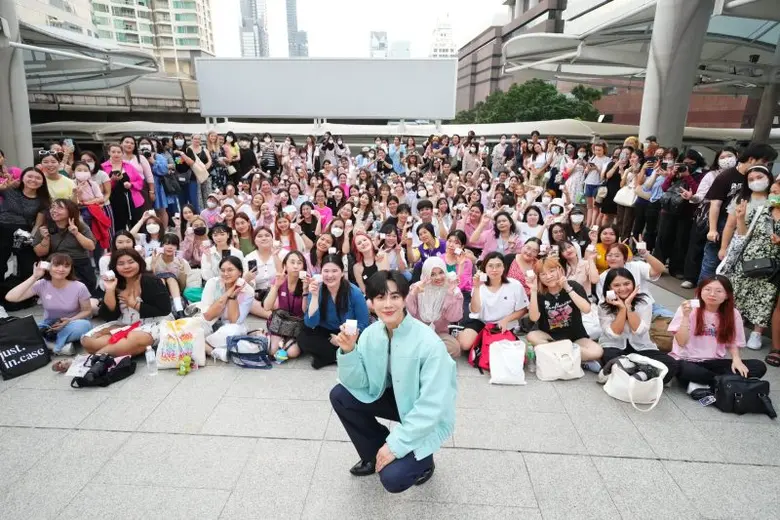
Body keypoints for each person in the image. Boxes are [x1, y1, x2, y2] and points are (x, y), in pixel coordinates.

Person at [329, 270, 456, 493]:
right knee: (341, 396)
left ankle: (422, 460)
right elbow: (359, 383)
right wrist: (348, 351)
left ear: (405, 298)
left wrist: (396, 445)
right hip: (394, 397)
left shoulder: (428, 343)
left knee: (393, 479)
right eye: (380, 297)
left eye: (395, 296)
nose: (388, 304)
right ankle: (374, 452)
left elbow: (432, 406)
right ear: (371, 302)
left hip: (424, 411)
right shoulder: (371, 334)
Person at [669, 276, 766, 397]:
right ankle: (725, 382)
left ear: (726, 295)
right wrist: (685, 317)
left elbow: (733, 341)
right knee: (686, 370)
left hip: (714, 362)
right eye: (707, 289)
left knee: (758, 366)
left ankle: (707, 383)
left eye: (719, 291)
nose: (712, 294)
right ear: (700, 291)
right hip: (687, 360)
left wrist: (736, 359)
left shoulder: (733, 313)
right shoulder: (689, 308)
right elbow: (681, 342)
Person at [700, 143, 777, 285]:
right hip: (724, 223)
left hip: (752, 240)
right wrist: (713, 229)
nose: (755, 181)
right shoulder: (726, 177)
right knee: (713, 265)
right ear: (753, 159)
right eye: (765, 161)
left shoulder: (770, 196)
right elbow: (715, 204)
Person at [722, 174, 780, 351]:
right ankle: (733, 328)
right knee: (739, 293)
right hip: (749, 257)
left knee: (765, 297)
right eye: (772, 191)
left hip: (773, 264)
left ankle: (757, 333)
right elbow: (743, 233)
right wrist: (740, 218)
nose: (773, 194)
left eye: (776, 192)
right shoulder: (762, 209)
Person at [82, 248, 172, 356]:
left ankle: (91, 360)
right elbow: (108, 315)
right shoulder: (116, 283)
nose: (126, 267)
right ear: (115, 267)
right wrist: (110, 290)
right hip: (126, 323)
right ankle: (119, 349)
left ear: (139, 263)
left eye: (131, 262)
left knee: (134, 338)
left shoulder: (150, 280)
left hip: (155, 322)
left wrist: (134, 304)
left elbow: (165, 309)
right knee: (88, 341)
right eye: (121, 263)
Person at [598, 268, 678, 383]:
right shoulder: (603, 304)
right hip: (615, 346)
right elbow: (614, 334)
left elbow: (639, 331)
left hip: (642, 346)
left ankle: (635, 374)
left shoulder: (644, 300)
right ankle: (642, 374)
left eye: (627, 283)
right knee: (611, 358)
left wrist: (628, 306)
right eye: (616, 285)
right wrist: (621, 309)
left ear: (633, 283)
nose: (623, 288)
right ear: (609, 287)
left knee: (671, 364)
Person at [5, 254, 92, 358]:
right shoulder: (42, 284)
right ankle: (56, 345)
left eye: (66, 266)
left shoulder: (79, 287)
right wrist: (35, 277)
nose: (61, 269)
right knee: (20, 331)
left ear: (70, 269)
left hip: (73, 323)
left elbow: (87, 311)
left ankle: (50, 343)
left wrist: (69, 320)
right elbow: (11, 297)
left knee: (84, 326)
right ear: (48, 266)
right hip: (49, 325)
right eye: (56, 265)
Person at [526, 257, 603, 371]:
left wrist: (567, 288)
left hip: (576, 337)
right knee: (531, 336)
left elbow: (586, 309)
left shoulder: (573, 285)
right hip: (550, 336)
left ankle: (555, 356)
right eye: (543, 274)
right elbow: (534, 317)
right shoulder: (539, 293)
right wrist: (533, 291)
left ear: (559, 270)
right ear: (538, 278)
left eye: (551, 271)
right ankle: (577, 359)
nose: (548, 276)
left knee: (597, 352)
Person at [300, 254, 370, 369]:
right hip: (326, 332)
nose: (330, 275)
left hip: (349, 331)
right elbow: (311, 323)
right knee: (303, 337)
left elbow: (363, 323)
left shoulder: (354, 292)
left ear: (342, 272)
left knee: (364, 340)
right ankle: (338, 355)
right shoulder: (318, 289)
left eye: (334, 271)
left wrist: (341, 338)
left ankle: (327, 357)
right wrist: (314, 296)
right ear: (321, 273)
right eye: (326, 271)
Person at [457, 252, 529, 352]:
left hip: (504, 324)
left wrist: (506, 320)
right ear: (485, 268)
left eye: (498, 266)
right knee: (465, 344)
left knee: (501, 350)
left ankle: (482, 342)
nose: (494, 270)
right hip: (481, 322)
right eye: (490, 266)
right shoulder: (479, 286)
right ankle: (465, 334)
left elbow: (523, 309)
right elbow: (474, 310)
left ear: (504, 267)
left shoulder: (515, 285)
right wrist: (477, 287)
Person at [32, 199, 97, 295]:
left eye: (59, 208)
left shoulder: (80, 226)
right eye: (53, 207)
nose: (54, 210)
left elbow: (91, 247)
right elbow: (40, 253)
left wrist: (76, 233)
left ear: (70, 211)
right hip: (56, 264)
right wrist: (46, 239)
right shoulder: (45, 228)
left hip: (78, 264)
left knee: (82, 293)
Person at [405, 257, 463, 357]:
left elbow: (453, 318)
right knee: (406, 344)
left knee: (454, 347)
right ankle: (432, 354)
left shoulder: (453, 290)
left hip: (439, 334)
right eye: (432, 274)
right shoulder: (418, 287)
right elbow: (410, 313)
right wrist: (413, 294)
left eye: (441, 272)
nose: (438, 277)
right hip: (418, 332)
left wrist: (450, 295)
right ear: (426, 274)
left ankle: (425, 354)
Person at [201, 256, 255, 361]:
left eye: (230, 270)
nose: (226, 274)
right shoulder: (213, 283)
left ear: (240, 272)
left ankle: (205, 345)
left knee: (232, 330)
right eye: (222, 270)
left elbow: (234, 320)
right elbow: (208, 316)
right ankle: (214, 350)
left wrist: (233, 296)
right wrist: (230, 291)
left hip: (230, 328)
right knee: (194, 329)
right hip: (210, 323)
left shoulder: (248, 291)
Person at [0, 167, 50, 281]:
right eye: (30, 176)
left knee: (27, 267)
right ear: (22, 178)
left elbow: (38, 224)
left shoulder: (43, 200)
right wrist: (3, 186)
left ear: (43, 182)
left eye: (38, 178)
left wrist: (30, 240)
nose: (33, 180)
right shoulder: (9, 190)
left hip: (23, 233)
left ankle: (26, 294)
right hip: (2, 229)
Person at [263, 250, 308, 359]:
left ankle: (286, 342)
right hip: (280, 322)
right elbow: (267, 306)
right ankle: (267, 335)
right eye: (292, 262)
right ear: (285, 266)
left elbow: (305, 311)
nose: (296, 266)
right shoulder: (280, 279)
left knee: (292, 352)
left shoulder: (306, 282)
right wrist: (276, 286)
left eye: (299, 263)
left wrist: (305, 290)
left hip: (298, 325)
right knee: (272, 350)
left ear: (304, 267)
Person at [147, 233, 190, 318]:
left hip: (176, 292)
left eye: (173, 244)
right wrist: (153, 265)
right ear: (161, 246)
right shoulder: (150, 260)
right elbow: (148, 282)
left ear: (177, 248)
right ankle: (163, 305)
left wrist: (181, 272)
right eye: (166, 244)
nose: (170, 247)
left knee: (170, 278)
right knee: (161, 279)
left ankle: (179, 309)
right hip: (157, 291)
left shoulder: (182, 262)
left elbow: (183, 286)